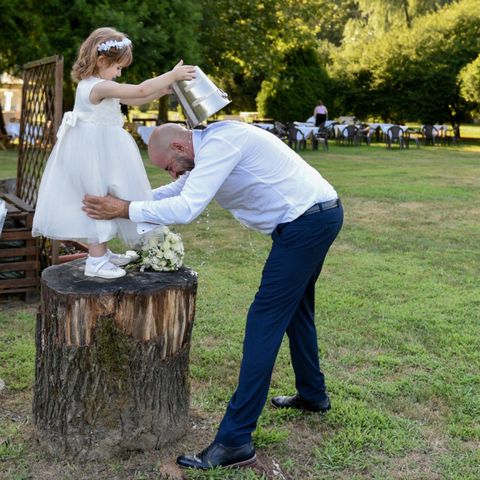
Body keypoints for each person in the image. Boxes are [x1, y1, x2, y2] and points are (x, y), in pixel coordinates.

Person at [82, 121, 343, 470]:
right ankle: (313, 395)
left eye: (167, 166)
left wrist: (124, 209)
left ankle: (235, 441)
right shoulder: (206, 151)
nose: (171, 173)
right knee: (297, 312)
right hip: (315, 216)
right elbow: (173, 194)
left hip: (305, 223)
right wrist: (120, 206)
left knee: (264, 321)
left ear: (178, 147)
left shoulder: (221, 144)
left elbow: (187, 207)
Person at [31, 27, 195, 279]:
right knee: (98, 198)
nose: (119, 73)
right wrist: (171, 75)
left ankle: (102, 253)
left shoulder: (99, 85)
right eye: (118, 67)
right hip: (94, 151)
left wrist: (160, 91)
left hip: (100, 149)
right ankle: (95, 261)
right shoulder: (96, 87)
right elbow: (139, 90)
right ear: (101, 60)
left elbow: (134, 100)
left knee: (106, 194)